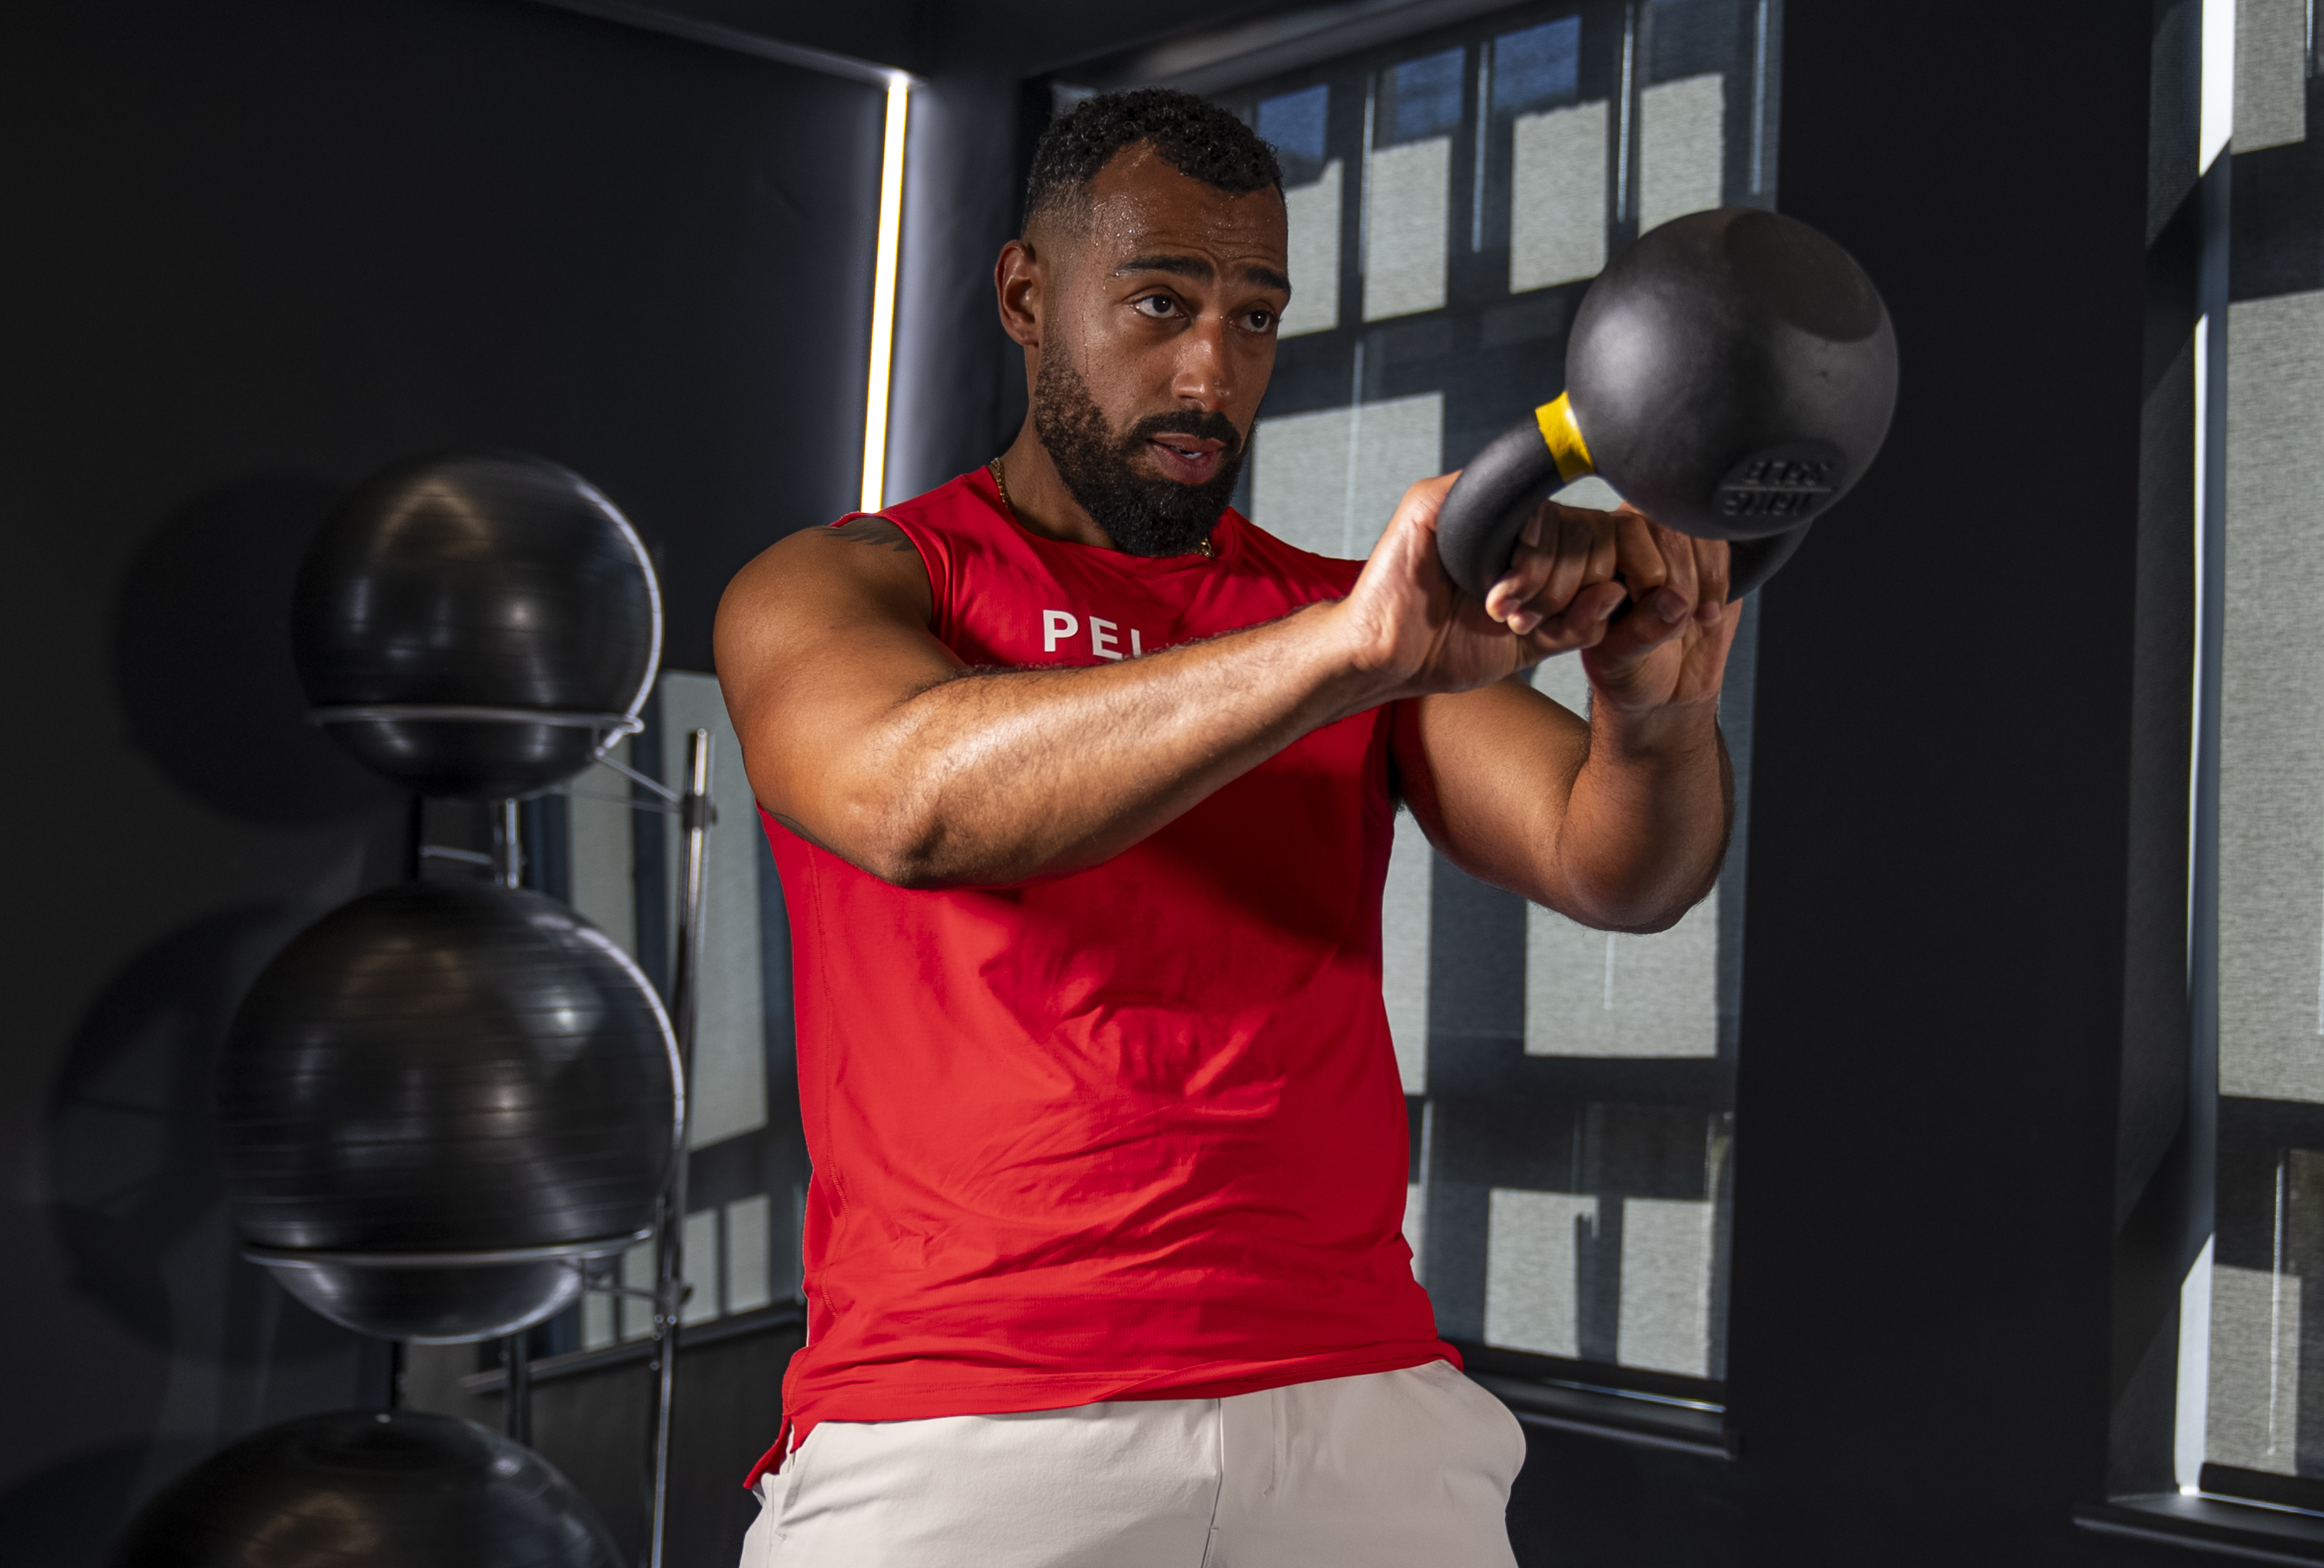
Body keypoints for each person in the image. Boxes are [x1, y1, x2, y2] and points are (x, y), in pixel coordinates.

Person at [714, 87, 1739, 1567]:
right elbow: (908, 800)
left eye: (1253, 317)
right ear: (1023, 293)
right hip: (967, 1424)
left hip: (1355, 1409)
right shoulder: (854, 583)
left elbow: (1619, 869)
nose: (1209, 372)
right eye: (1156, 302)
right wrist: (1340, 653)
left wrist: (1654, 708)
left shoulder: (1349, 623)